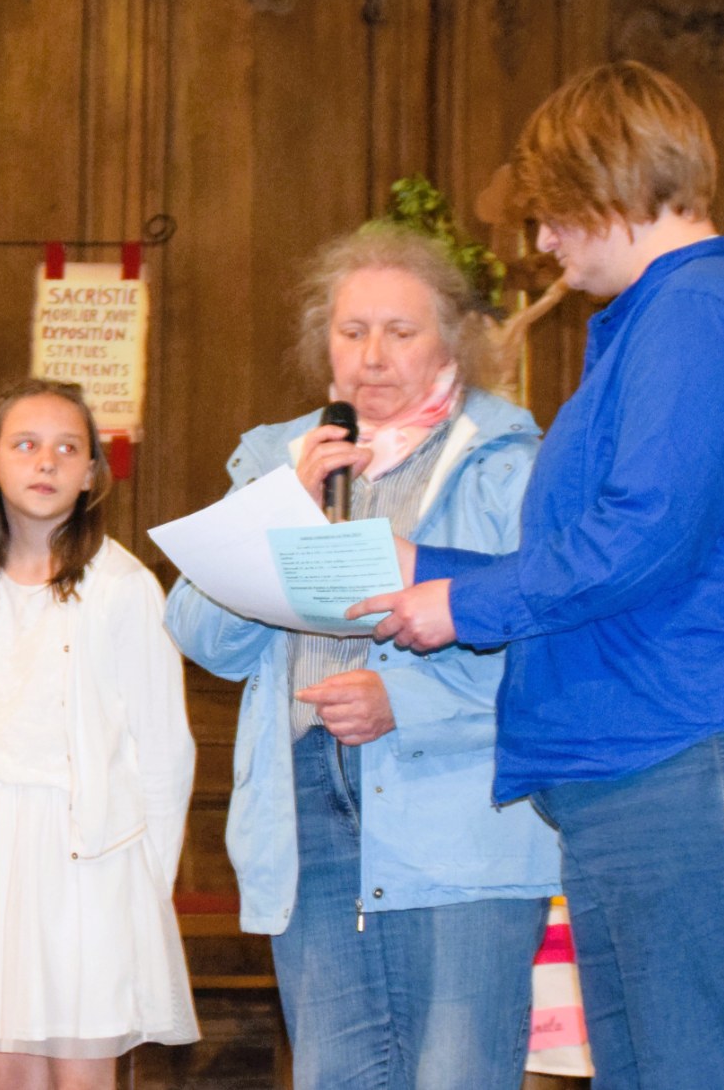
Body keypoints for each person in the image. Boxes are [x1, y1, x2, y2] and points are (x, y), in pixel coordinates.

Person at [353, 61, 724, 1090]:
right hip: (660, 756)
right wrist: (432, 567)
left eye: (554, 213)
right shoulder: (661, 320)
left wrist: (459, 604)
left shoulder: (698, 313)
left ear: (612, 186)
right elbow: (608, 551)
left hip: (707, 749)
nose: (543, 241)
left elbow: (643, 543)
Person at [166, 225, 559, 1090]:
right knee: (337, 1075)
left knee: (453, 1074)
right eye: (352, 332)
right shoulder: (280, 457)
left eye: (400, 332)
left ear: (452, 339)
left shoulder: (508, 465)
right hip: (309, 810)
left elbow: (551, 648)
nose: (372, 356)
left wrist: (403, 702)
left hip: (458, 813)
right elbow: (203, 635)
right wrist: (282, 505)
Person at [0, 378, 199, 1087]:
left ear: (91, 474)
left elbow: (164, 746)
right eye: (25, 445)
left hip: (90, 854)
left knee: (82, 1070)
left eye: (66, 448)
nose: (45, 462)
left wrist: (150, 880)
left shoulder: (125, 587)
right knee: (9, 1070)